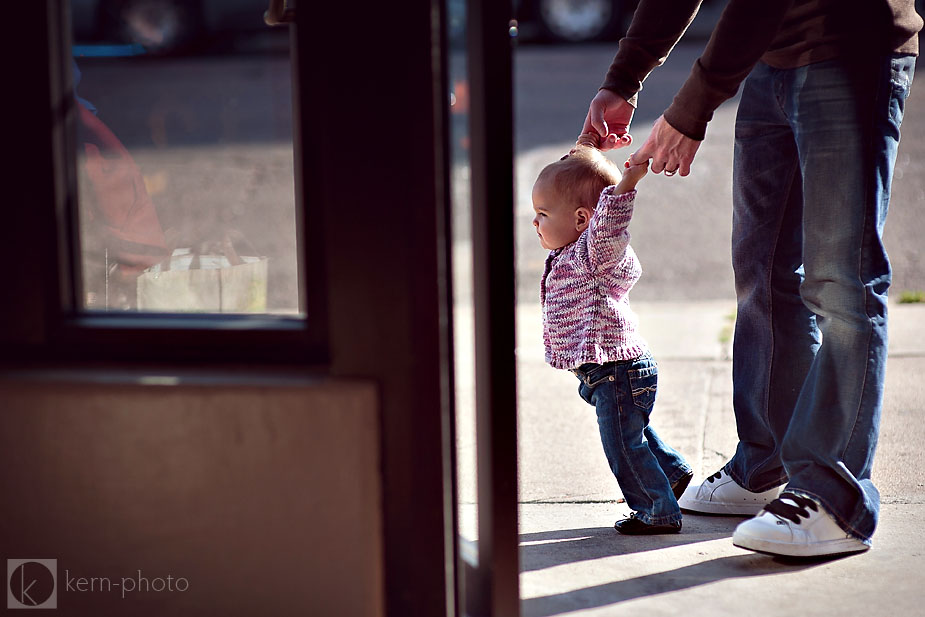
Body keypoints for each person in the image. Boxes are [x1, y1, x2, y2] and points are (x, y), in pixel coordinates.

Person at [580, 0, 922, 556]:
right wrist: (625, 77)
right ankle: (766, 464)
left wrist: (693, 105)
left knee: (843, 282)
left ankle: (836, 499)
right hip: (771, 61)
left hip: (850, 48)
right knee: (762, 275)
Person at [534, 133, 693, 535]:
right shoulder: (571, 251)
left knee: (623, 446)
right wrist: (585, 148)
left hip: (617, 370)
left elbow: (611, 221)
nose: (535, 222)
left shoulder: (595, 251)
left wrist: (627, 183)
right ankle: (670, 474)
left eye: (543, 214)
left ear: (582, 219)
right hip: (606, 373)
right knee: (631, 433)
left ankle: (658, 509)